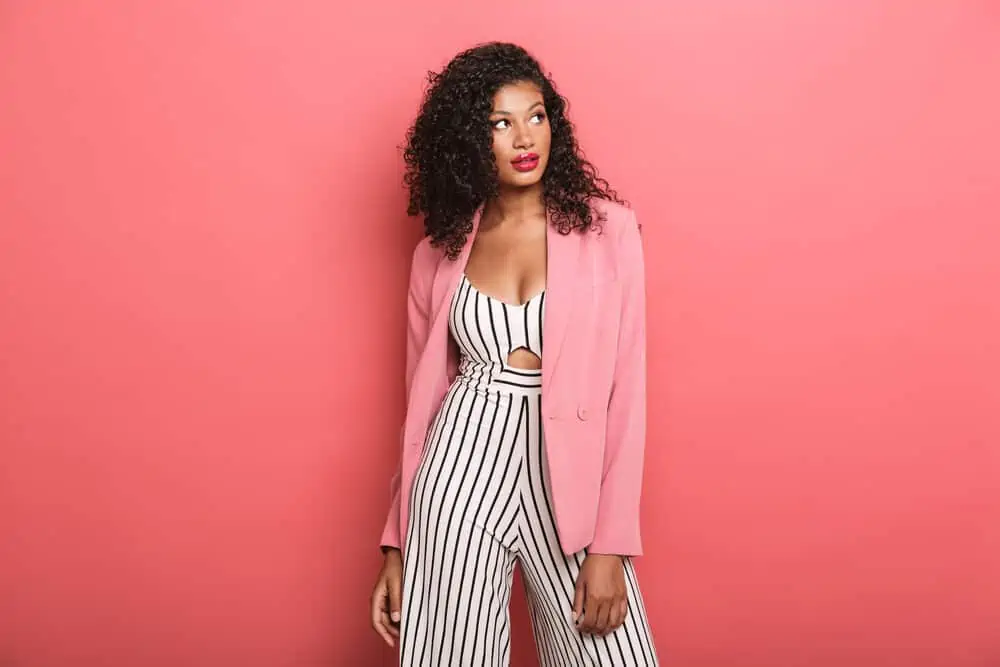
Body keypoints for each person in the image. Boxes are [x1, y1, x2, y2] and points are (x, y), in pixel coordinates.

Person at [369, 41, 659, 666]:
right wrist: (396, 544)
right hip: (459, 469)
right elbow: (417, 414)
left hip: (570, 482)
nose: (524, 137)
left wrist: (612, 544)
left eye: (536, 116)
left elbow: (626, 394)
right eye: (500, 123)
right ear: (468, 140)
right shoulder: (437, 253)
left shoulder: (609, 233)